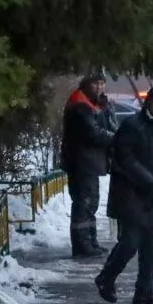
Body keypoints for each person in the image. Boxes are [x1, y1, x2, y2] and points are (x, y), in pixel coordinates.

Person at [94, 85, 153, 304]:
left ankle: (144, 290)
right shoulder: (132, 126)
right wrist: (148, 181)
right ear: (149, 104)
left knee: (151, 246)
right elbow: (124, 157)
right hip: (130, 194)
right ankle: (106, 278)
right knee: (130, 242)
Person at [60, 73, 116, 258]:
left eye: (102, 83)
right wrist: (115, 138)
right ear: (86, 85)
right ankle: (82, 245)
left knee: (91, 202)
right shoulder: (80, 105)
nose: (100, 87)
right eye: (96, 84)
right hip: (81, 162)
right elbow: (93, 133)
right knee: (84, 204)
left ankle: (90, 241)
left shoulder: (92, 102)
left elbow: (105, 124)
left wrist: (105, 107)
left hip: (89, 163)